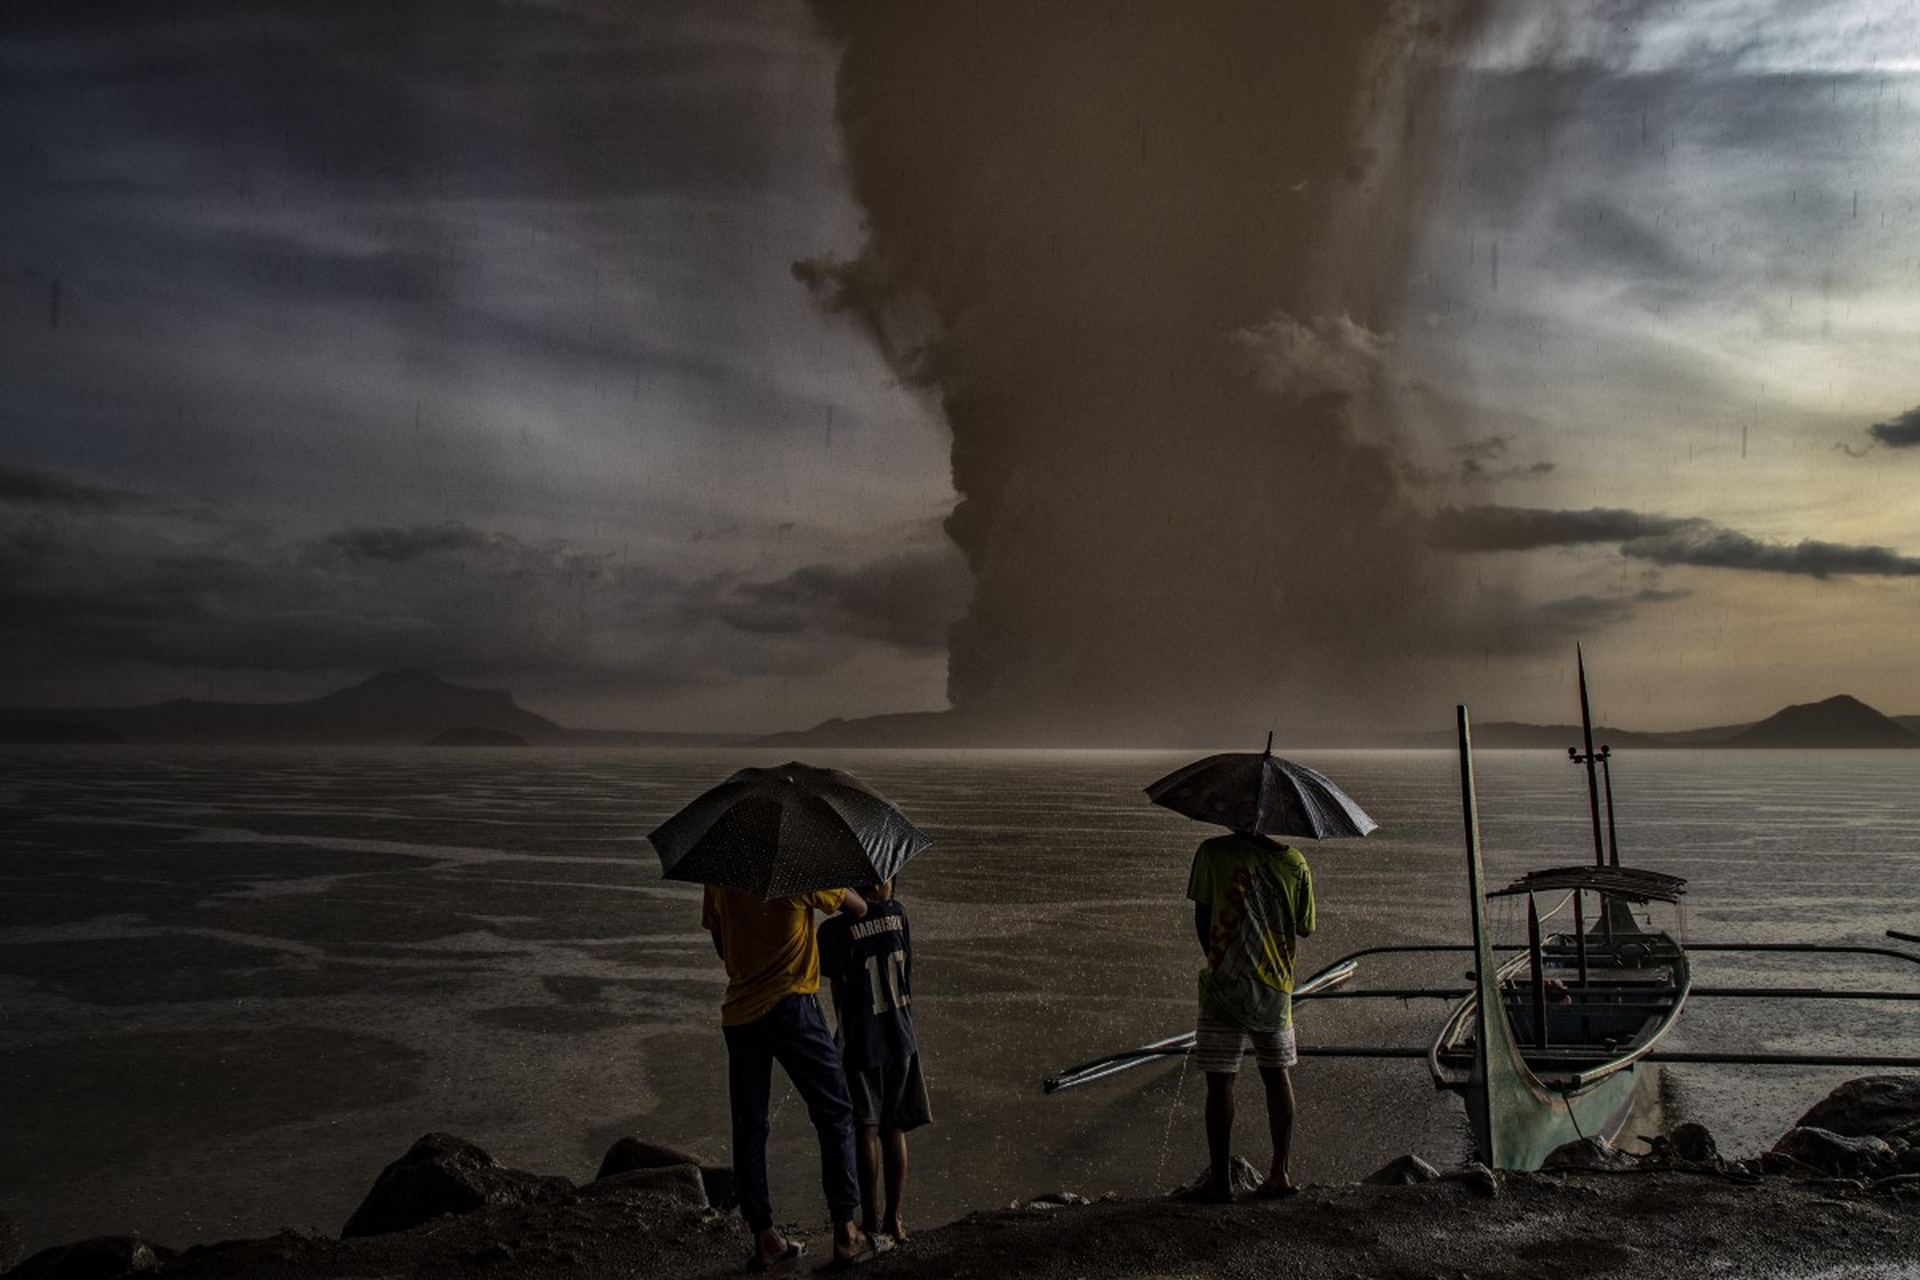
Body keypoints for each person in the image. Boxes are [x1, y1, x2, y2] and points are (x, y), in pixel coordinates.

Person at [702, 882, 885, 1272]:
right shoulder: (795, 868)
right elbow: (858, 908)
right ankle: (846, 1234)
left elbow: (721, 946)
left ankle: (765, 1236)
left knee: (750, 1126)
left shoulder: (720, 873)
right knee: (835, 1112)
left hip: (739, 1013)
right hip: (792, 1005)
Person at [1181, 828, 1316, 1203]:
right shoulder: (1296, 864)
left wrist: (1220, 957)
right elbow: (1303, 927)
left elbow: (1203, 920)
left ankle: (1220, 1181)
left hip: (1225, 988)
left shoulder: (1212, 852)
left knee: (1220, 1082)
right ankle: (1279, 1173)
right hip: (1276, 989)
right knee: (1277, 1075)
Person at [817, 878, 931, 1242]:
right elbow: (906, 974)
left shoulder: (835, 930)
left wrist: (841, 1034)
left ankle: (869, 1220)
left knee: (865, 1129)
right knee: (893, 1129)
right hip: (901, 1036)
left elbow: (838, 989)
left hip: (863, 1040)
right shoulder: (900, 915)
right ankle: (895, 1221)